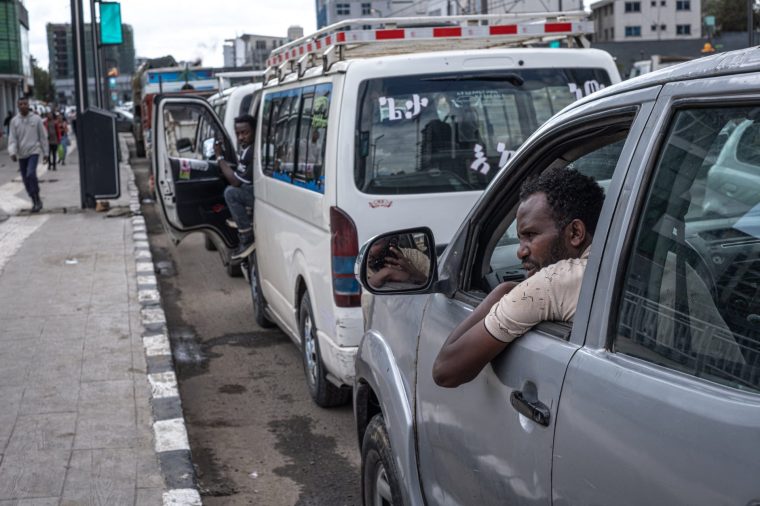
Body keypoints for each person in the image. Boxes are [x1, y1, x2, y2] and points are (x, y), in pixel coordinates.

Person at [432, 167, 605, 388]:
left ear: (575, 233)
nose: (520, 252)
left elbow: (445, 370)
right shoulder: (623, 268)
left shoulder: (552, 283)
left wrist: (503, 291)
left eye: (531, 235)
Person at [215, 114, 256, 260]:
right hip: (254, 190)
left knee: (230, 193)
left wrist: (220, 158)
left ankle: (246, 236)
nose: (240, 137)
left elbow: (235, 182)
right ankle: (245, 217)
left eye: (245, 132)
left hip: (260, 196)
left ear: (255, 131)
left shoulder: (251, 151)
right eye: (238, 133)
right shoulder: (247, 149)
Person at [8, 97, 48, 213]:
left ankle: (36, 197)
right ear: (17, 106)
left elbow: (43, 137)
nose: (23, 106)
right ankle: (35, 200)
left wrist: (45, 153)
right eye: (21, 104)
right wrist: (12, 152)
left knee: (31, 174)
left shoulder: (36, 119)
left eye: (25, 104)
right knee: (25, 180)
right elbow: (12, 139)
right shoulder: (14, 121)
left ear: (28, 104)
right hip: (21, 154)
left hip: (33, 152)